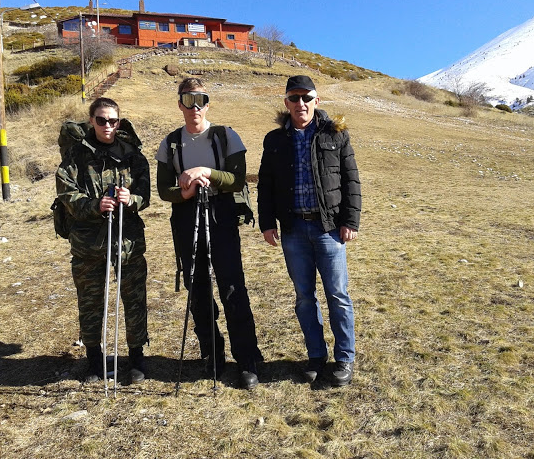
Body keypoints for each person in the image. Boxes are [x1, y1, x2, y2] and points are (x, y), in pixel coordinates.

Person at [156, 78, 263, 390]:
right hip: (186, 216)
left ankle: (247, 360)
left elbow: (236, 179)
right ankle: (212, 355)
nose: (195, 107)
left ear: (208, 102)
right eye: (188, 101)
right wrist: (186, 191)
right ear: (180, 104)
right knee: (197, 288)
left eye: (200, 100)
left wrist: (205, 172)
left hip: (221, 214)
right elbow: (165, 190)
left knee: (232, 286)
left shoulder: (225, 136)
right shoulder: (171, 142)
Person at [257, 75, 361, 386]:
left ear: (317, 100)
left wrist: (350, 221)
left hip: (328, 228)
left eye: (306, 97)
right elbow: (266, 184)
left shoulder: (336, 135)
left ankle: (345, 358)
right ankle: (316, 356)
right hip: (292, 230)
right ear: (286, 102)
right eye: (293, 97)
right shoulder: (274, 140)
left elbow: (351, 180)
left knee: (337, 295)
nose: (300, 103)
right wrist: (266, 223)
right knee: (304, 297)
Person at [56, 97, 151, 384]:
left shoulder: (133, 155)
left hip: (127, 239)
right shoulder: (76, 156)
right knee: (90, 300)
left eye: (112, 121)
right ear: (91, 121)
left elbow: (145, 193)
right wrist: (95, 205)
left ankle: (136, 358)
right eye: (101, 120)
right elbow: (66, 193)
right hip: (88, 242)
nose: (107, 125)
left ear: (118, 122)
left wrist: (131, 199)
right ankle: (95, 360)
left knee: (134, 298)